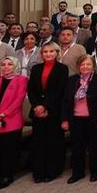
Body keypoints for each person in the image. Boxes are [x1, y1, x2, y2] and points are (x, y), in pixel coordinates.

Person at [27, 43, 68, 183]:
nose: (48, 54)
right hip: (37, 111)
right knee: (38, 142)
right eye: (45, 52)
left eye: (51, 51)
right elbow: (31, 90)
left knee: (53, 142)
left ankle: (52, 171)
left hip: (54, 110)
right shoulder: (36, 68)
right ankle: (38, 172)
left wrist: (45, 106)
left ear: (57, 52)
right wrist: (37, 106)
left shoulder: (62, 69)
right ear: (41, 54)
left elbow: (59, 91)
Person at [0, 57, 27, 188]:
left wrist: (3, 115)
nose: (6, 67)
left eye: (9, 64)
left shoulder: (22, 80)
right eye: (3, 64)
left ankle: (8, 175)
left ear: (15, 66)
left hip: (11, 120)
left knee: (8, 150)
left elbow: (18, 100)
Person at [62, 54, 97, 183]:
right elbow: (66, 101)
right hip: (76, 118)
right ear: (78, 66)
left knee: (95, 147)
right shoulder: (72, 80)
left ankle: (96, 171)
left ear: (93, 66)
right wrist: (65, 119)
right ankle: (77, 173)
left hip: (94, 118)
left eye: (88, 64)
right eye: (82, 64)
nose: (85, 67)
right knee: (77, 148)